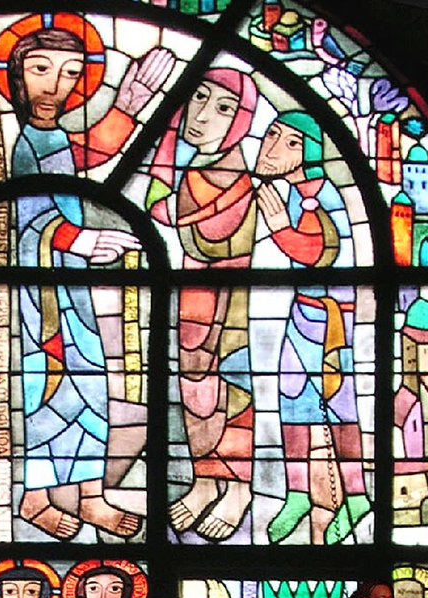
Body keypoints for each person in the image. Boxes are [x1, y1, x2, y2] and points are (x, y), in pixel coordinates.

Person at [0, 17, 172, 538]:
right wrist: (80, 240)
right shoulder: (26, 143)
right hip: (40, 295)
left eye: (71, 72)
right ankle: (34, 498)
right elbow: (28, 217)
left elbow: (89, 150)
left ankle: (88, 494)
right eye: (41, 69)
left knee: (90, 386)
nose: (56, 84)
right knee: (46, 390)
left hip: (70, 287)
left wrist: (129, 106)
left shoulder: (51, 136)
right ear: (17, 77)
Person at [147, 69, 258, 541]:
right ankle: (206, 478)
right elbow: (165, 214)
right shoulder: (192, 173)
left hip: (235, 307)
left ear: (241, 121)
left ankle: (239, 488)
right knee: (195, 390)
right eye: (199, 98)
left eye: (223, 108)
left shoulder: (240, 181)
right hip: (193, 298)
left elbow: (214, 237)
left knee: (233, 390)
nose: (203, 115)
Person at [252, 111, 371, 546]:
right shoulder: (298, 191)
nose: (270, 148)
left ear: (308, 153)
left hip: (332, 321)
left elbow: (320, 252)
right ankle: (298, 493)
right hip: (304, 314)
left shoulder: (324, 195)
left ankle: (356, 497)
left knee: (341, 410)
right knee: (292, 405)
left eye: (288, 142)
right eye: (270, 135)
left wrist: (280, 228)